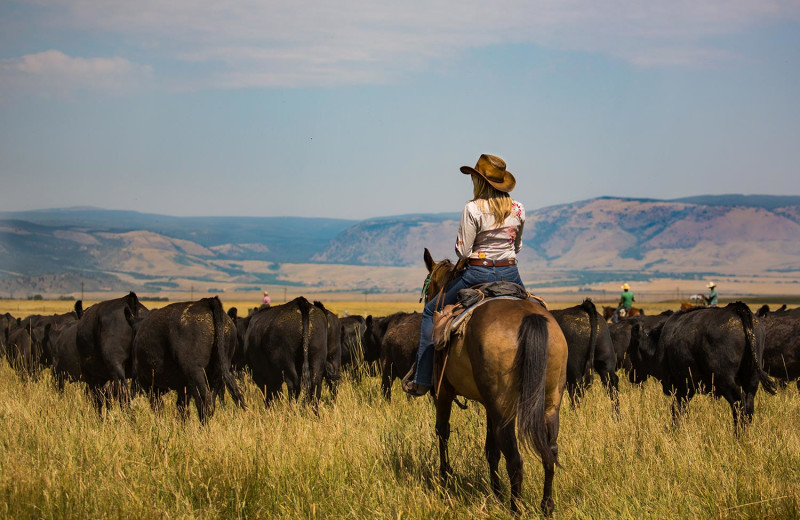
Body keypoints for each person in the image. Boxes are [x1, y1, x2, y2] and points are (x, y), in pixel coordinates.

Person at [403, 154, 526, 397]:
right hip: (511, 273)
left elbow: (463, 251)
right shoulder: (519, 208)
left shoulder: (472, 208)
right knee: (536, 308)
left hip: (478, 273)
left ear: (479, 181)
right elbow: (518, 246)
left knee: (430, 311)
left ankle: (422, 379)